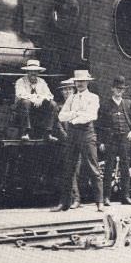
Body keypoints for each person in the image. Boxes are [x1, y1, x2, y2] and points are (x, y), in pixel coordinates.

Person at [54, 70, 104, 212]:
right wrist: (76, 114)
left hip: (87, 134)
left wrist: (73, 117)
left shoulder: (93, 97)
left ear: (87, 82)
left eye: (82, 81)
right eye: (77, 81)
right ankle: (64, 203)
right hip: (72, 135)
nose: (80, 84)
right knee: (68, 168)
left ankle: (99, 202)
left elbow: (91, 115)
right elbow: (61, 116)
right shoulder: (71, 98)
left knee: (93, 168)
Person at [98, 75, 131, 206]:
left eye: (122, 89)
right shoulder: (105, 105)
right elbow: (99, 125)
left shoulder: (128, 103)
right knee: (108, 167)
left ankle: (125, 196)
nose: (119, 91)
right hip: (110, 139)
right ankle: (106, 197)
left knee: (125, 168)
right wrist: (100, 142)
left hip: (125, 139)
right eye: (117, 88)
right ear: (112, 89)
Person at [54, 79, 81, 208]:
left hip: (78, 141)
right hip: (65, 142)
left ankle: (74, 199)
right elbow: (57, 124)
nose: (67, 92)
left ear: (74, 90)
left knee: (76, 170)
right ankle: (72, 199)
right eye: (65, 90)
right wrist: (66, 137)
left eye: (70, 89)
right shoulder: (59, 107)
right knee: (67, 170)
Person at [14, 60, 57, 141]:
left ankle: (48, 133)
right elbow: (20, 94)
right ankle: (26, 132)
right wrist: (35, 98)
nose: (33, 73)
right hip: (23, 108)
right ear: (27, 71)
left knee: (53, 104)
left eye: (35, 71)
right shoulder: (20, 81)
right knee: (26, 102)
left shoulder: (42, 81)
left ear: (38, 72)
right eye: (31, 71)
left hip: (37, 109)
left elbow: (49, 95)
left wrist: (41, 98)